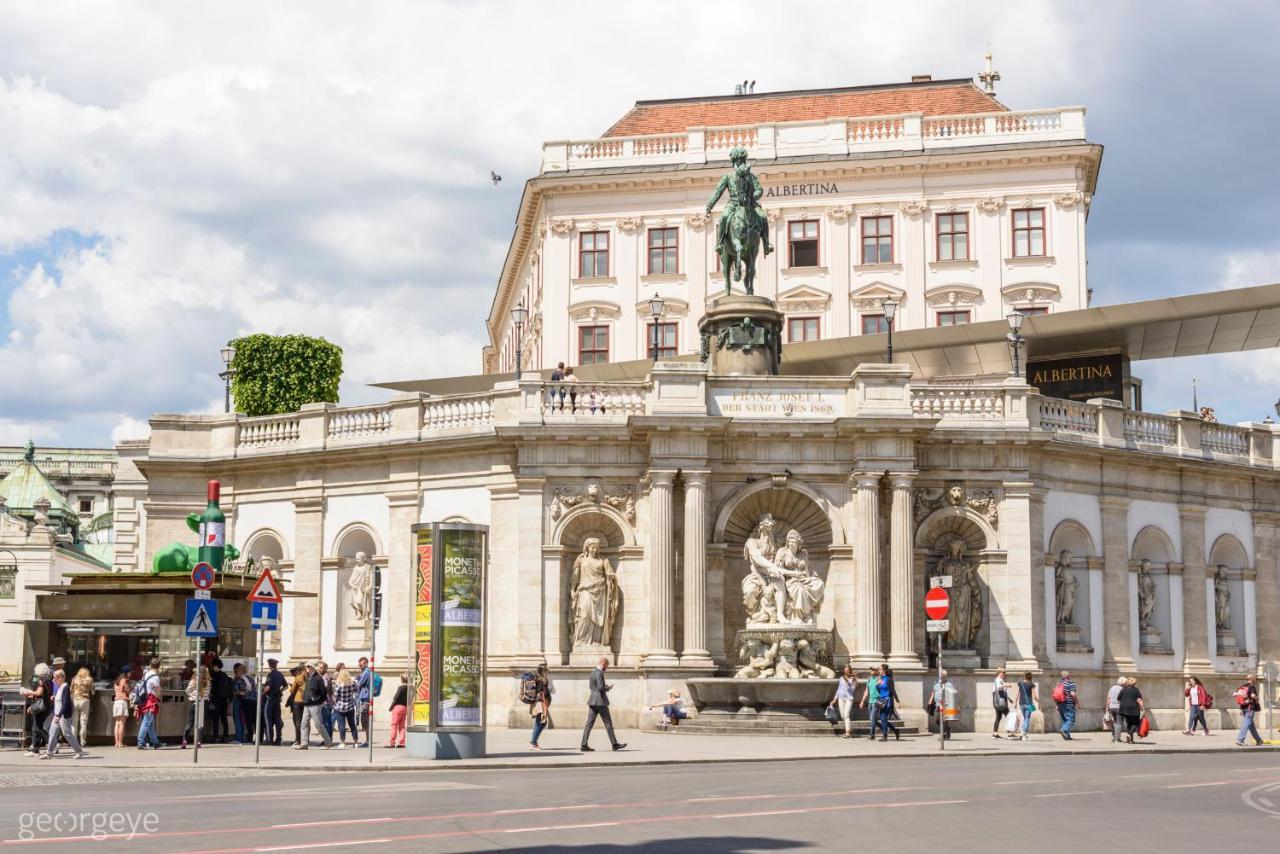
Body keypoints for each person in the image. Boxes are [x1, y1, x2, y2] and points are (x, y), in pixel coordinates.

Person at [580, 657, 625, 752]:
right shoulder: (600, 673)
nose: (606, 668)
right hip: (600, 702)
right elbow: (600, 687)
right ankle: (615, 744)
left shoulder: (592, 672)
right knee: (608, 723)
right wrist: (608, 687)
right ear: (603, 664)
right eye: (607, 666)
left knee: (589, 723)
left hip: (592, 701)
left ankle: (584, 745)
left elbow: (591, 686)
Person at [41, 669, 86, 759]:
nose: (53, 680)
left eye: (55, 678)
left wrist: (59, 715)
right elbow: (60, 701)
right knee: (52, 733)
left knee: (67, 734)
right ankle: (49, 753)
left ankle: (79, 752)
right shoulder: (60, 688)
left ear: (60, 678)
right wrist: (54, 698)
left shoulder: (65, 688)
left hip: (62, 716)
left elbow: (65, 704)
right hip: (57, 715)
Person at [295, 661, 333, 749]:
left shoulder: (318, 678)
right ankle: (304, 743)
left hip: (315, 705)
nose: (306, 668)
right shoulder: (309, 677)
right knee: (303, 723)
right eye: (306, 666)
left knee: (318, 724)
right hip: (307, 703)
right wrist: (305, 697)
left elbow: (324, 692)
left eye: (308, 666)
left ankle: (328, 742)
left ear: (313, 668)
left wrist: (317, 700)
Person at [21, 663, 53, 756]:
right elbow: (42, 695)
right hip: (45, 705)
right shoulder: (49, 681)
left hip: (41, 706)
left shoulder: (41, 680)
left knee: (37, 727)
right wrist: (30, 695)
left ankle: (52, 744)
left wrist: (27, 691)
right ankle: (35, 748)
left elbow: (39, 693)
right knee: (36, 727)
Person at [136, 657, 163, 750]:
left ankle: (155, 742)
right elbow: (157, 691)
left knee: (150, 723)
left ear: (150, 665)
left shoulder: (146, 674)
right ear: (159, 667)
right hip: (151, 701)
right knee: (147, 721)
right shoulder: (155, 677)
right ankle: (140, 742)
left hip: (145, 700)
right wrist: (159, 696)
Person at [182, 662, 210, 749]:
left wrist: (193, 695)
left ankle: (184, 741)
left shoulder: (193, 680)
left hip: (193, 702)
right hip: (203, 703)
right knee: (200, 723)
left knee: (189, 722)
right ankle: (198, 741)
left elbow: (187, 690)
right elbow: (207, 693)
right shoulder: (208, 682)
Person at [331, 666, 360, 748]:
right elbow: (356, 690)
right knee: (352, 725)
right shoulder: (352, 683)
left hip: (340, 707)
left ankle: (343, 742)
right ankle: (356, 742)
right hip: (350, 706)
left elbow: (335, 696)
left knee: (341, 725)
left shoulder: (339, 685)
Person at [262, 658, 286, 746]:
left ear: (269, 665)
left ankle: (269, 739)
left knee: (268, 719)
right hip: (277, 699)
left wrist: (261, 694)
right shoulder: (280, 674)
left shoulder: (270, 675)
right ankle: (278, 739)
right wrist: (279, 691)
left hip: (270, 698)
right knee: (277, 719)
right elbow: (286, 686)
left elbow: (267, 687)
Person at [829, 666, 858, 738]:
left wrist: (849, 682)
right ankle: (849, 729)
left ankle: (847, 732)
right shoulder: (841, 678)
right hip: (841, 698)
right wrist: (834, 699)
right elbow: (839, 689)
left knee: (846, 715)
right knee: (842, 716)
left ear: (850, 671)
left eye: (847, 670)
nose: (846, 671)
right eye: (845, 670)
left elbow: (852, 690)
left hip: (849, 698)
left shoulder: (853, 679)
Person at [209, 658, 233, 743]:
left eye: (213, 666)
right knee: (224, 719)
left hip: (216, 700)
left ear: (215, 666)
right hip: (224, 701)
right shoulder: (225, 675)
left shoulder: (214, 675)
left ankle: (215, 737)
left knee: (216, 719)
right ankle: (225, 736)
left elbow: (212, 688)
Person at [1236, 674, 1264, 747]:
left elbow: (1236, 694)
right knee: (1247, 722)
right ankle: (1240, 739)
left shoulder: (1242, 687)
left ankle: (1258, 740)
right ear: (1252, 680)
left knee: (1251, 725)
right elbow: (1253, 696)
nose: (1255, 680)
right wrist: (1257, 698)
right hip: (1250, 708)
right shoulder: (1252, 687)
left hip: (1243, 707)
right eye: (1254, 679)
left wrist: (1240, 707)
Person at [875, 666, 901, 742]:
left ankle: (884, 736)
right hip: (881, 700)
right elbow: (879, 691)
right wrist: (877, 684)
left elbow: (893, 690)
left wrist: (897, 701)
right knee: (881, 719)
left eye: (880, 669)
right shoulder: (881, 679)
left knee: (883, 718)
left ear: (884, 671)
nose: (878, 670)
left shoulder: (888, 679)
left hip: (887, 701)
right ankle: (895, 731)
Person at [927, 671, 955, 741]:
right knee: (937, 720)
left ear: (946, 677)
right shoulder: (936, 682)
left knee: (943, 720)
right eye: (941, 676)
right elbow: (934, 691)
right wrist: (930, 700)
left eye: (944, 676)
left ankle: (943, 735)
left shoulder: (949, 684)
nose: (942, 678)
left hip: (945, 705)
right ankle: (947, 729)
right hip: (937, 704)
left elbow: (952, 694)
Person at [1117, 676, 1145, 744]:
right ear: (1134, 683)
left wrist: (1124, 703)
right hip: (1134, 709)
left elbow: (1118, 700)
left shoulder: (1123, 689)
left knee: (1129, 724)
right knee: (1136, 723)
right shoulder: (1136, 690)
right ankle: (1129, 734)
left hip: (1124, 709)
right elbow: (1139, 699)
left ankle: (1130, 740)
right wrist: (1142, 708)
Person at [70, 667, 94, 746]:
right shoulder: (89, 679)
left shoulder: (74, 679)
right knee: (83, 722)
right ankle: (82, 741)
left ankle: (74, 741)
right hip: (85, 701)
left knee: (74, 722)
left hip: (75, 700)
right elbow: (93, 691)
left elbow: (71, 690)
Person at [529, 669, 551, 749]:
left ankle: (534, 742)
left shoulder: (536, 679)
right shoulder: (542, 681)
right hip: (540, 703)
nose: (548, 672)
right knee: (541, 723)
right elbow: (545, 693)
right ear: (543, 672)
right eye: (547, 671)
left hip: (537, 703)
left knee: (539, 723)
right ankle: (533, 742)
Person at [286, 665, 307, 746]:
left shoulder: (298, 678)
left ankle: (298, 740)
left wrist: (291, 687)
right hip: (305, 701)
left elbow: (292, 691)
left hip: (297, 701)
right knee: (305, 722)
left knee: (297, 722)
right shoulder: (308, 677)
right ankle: (305, 739)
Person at [354, 657, 372, 748]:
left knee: (365, 719)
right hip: (365, 697)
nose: (359, 666)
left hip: (366, 698)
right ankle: (367, 740)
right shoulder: (366, 672)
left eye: (361, 664)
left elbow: (359, 684)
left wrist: (353, 682)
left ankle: (368, 741)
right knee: (365, 719)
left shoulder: (366, 673)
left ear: (365, 663)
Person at [860, 665, 882, 738]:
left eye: (873, 670)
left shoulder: (879, 679)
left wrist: (880, 676)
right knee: (872, 719)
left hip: (876, 701)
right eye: (871, 670)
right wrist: (862, 701)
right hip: (870, 701)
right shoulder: (869, 679)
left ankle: (872, 735)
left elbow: (882, 686)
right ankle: (883, 728)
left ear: (876, 671)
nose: (871, 671)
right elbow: (866, 691)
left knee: (872, 718)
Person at [1055, 670, 1078, 740]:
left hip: (1060, 703)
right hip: (1069, 704)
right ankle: (1063, 730)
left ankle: (1067, 736)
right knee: (1071, 719)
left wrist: (1056, 705)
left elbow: (1056, 695)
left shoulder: (1058, 684)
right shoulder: (1070, 683)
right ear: (1068, 676)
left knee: (1065, 720)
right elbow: (1073, 694)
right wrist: (1077, 702)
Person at [1015, 671, 1038, 741]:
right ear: (1030, 676)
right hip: (1029, 704)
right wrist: (1039, 702)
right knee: (1027, 719)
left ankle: (1023, 733)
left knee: (1025, 718)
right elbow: (1034, 696)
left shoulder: (1020, 683)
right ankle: (1023, 734)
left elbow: (1018, 693)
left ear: (1024, 676)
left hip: (1021, 703)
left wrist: (1015, 702)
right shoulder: (1031, 684)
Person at [387, 674, 408, 748]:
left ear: (402, 679)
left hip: (397, 708)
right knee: (402, 726)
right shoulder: (410, 688)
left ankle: (392, 743)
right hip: (405, 708)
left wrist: (391, 707)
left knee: (394, 725)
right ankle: (402, 743)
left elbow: (395, 698)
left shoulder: (401, 688)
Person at [112, 673, 130, 748]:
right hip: (122, 702)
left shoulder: (116, 682)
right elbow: (128, 690)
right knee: (122, 723)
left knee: (117, 723)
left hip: (116, 702)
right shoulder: (124, 681)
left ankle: (116, 742)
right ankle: (120, 742)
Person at [992, 667, 1010, 739]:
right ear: (999, 673)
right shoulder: (998, 680)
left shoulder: (999, 680)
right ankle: (1010, 733)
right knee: (1008, 716)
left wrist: (1009, 699)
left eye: (1004, 672)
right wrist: (1006, 685)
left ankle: (995, 733)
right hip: (1001, 702)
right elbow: (999, 688)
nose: (1004, 674)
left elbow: (1001, 691)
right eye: (1003, 672)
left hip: (998, 702)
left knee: (998, 717)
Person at [1106, 676, 1126, 743]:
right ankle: (1117, 739)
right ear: (1124, 683)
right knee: (1119, 723)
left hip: (1112, 707)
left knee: (1115, 722)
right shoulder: (1123, 689)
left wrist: (1107, 707)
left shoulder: (1112, 687)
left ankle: (1114, 736)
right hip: (1119, 707)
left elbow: (1108, 698)